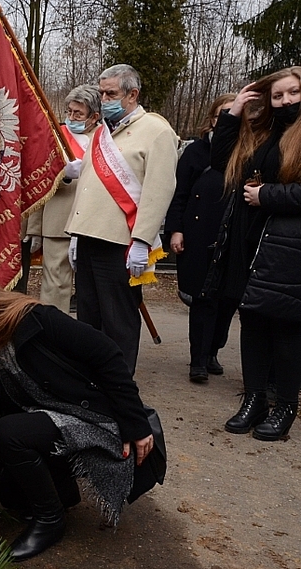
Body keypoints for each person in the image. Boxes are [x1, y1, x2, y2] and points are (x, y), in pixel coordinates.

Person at [0, 272, 154, 561]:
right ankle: (60, 493)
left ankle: (50, 521)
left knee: (7, 431)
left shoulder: (38, 320)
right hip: (39, 417)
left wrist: (135, 424)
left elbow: (107, 354)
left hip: (82, 413)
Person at [65, 64, 179, 374]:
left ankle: (118, 385)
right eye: (101, 92)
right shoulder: (102, 131)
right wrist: (76, 234)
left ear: (132, 94)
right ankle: (90, 378)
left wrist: (142, 241)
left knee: (119, 321)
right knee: (88, 317)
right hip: (88, 237)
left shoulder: (156, 131)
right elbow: (90, 187)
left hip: (121, 243)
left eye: (111, 93)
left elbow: (159, 190)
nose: (103, 98)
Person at [207, 67, 301, 440]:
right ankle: (255, 398)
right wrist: (234, 115)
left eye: (293, 93)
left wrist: (267, 196)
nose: (286, 102)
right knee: (252, 322)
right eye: (278, 96)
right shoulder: (264, 131)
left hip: (288, 248)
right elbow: (221, 162)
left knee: (287, 329)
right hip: (249, 243)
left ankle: (285, 407)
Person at [164, 93, 237, 383]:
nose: (226, 121)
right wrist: (176, 230)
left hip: (232, 237)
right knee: (202, 298)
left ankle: (213, 351)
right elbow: (178, 193)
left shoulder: (245, 152)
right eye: (222, 115)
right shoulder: (195, 152)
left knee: (227, 301)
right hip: (198, 234)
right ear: (212, 117)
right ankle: (198, 360)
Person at [26, 84, 101, 312]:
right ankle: (53, 332)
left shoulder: (106, 139)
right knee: (54, 285)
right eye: (69, 111)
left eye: (78, 113)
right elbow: (37, 184)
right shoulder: (55, 136)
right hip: (57, 222)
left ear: (94, 116)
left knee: (93, 287)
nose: (71, 117)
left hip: (94, 223)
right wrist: (34, 228)